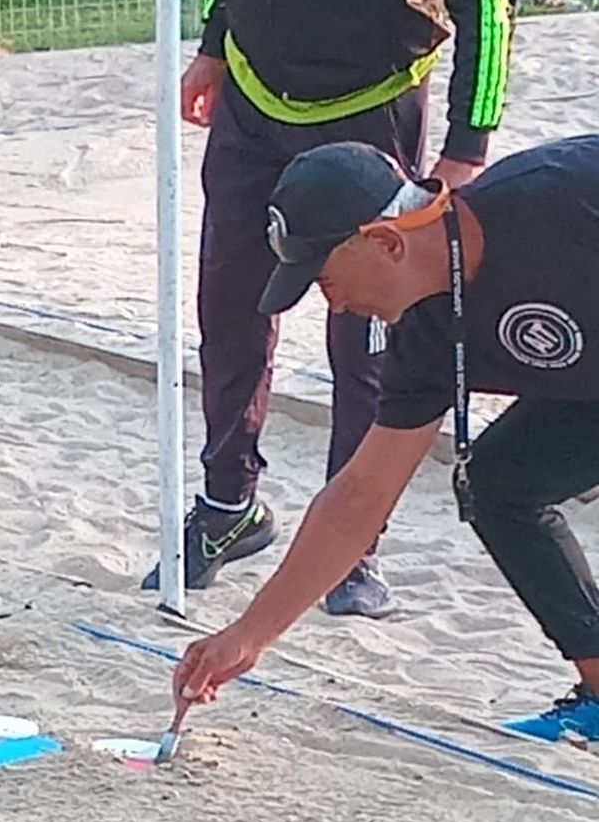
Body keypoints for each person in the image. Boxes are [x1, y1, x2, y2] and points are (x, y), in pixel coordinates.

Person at [142, 0, 514, 618]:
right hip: (256, 93)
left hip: (369, 108)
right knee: (231, 303)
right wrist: (216, 41)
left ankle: (348, 543)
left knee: (366, 329)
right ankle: (228, 499)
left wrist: (466, 149)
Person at [175, 135, 599, 744]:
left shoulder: (556, 202)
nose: (336, 305)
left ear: (385, 241)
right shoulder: (425, 334)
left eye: (323, 281)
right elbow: (358, 499)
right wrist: (247, 636)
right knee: (496, 484)